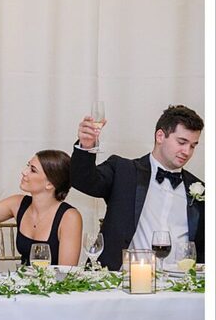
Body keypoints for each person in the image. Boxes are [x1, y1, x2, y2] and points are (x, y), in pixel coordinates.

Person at [71, 104, 205, 270]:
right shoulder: (124, 171)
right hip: (120, 280)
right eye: (182, 142)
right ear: (160, 136)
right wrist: (86, 147)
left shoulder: (198, 188)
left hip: (179, 284)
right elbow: (83, 181)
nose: (187, 151)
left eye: (193, 145)